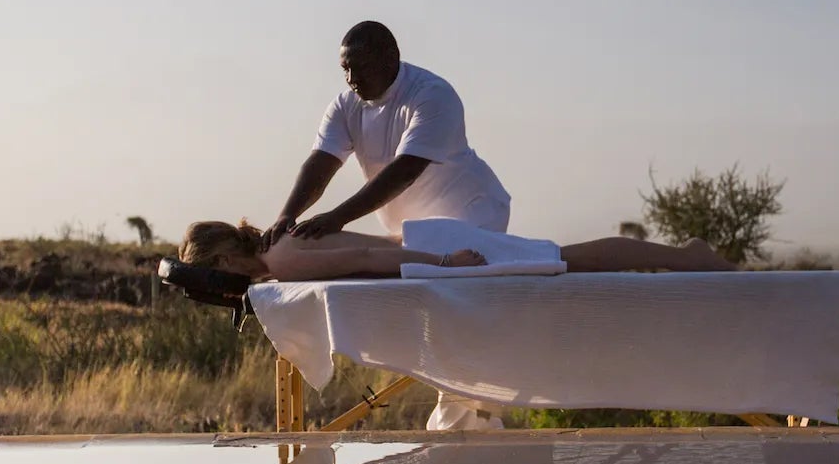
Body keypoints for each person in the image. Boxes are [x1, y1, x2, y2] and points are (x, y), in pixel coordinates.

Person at [263, 20, 511, 246]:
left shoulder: (433, 94)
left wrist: (337, 217)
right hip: (411, 231)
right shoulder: (344, 105)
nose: (352, 78)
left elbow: (405, 171)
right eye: (346, 69)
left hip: (473, 217)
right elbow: (321, 163)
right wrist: (288, 214)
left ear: (391, 58)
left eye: (362, 67)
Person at [178, 218, 737, 281]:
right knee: (568, 256)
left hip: (437, 249)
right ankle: (684, 255)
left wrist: (446, 263)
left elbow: (369, 260)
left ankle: (688, 256)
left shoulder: (285, 260)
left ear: (224, 259)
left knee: (572, 258)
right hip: (430, 248)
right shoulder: (279, 259)